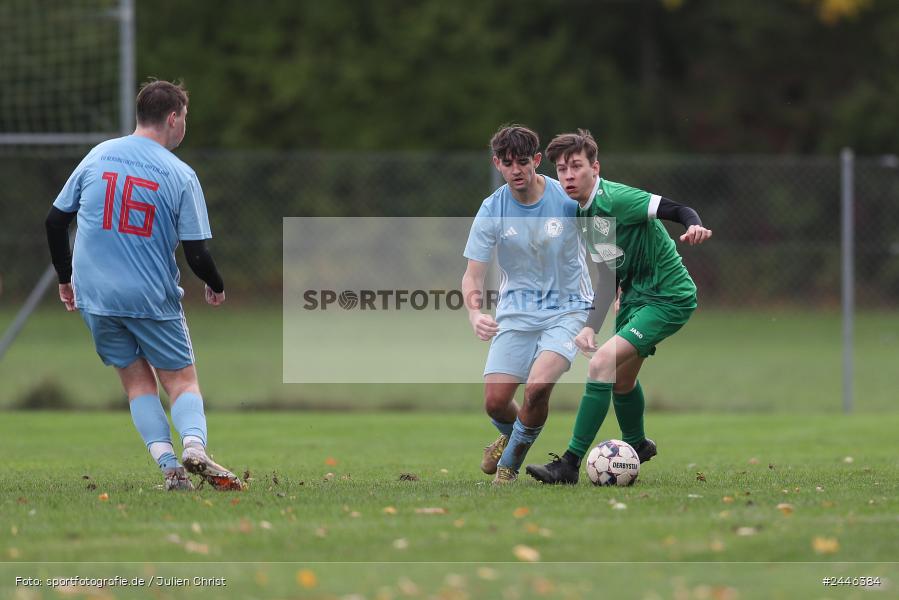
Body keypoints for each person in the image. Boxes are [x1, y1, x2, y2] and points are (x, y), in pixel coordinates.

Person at [44, 80, 243, 492]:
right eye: (185, 118)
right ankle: (193, 446)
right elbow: (197, 254)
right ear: (173, 118)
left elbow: (55, 221)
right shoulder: (181, 174)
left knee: (137, 384)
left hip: (95, 297)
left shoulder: (98, 155)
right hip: (150, 297)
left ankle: (171, 470)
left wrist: (66, 278)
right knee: (182, 382)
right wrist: (216, 285)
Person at [526, 129, 712, 484]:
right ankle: (637, 446)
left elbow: (678, 209)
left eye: (576, 166)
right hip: (636, 297)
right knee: (621, 382)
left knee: (601, 365)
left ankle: (568, 464)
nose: (568, 175)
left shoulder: (617, 198)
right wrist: (588, 327)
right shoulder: (583, 215)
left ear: (595, 168)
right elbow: (607, 275)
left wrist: (694, 226)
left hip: (667, 295)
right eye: (562, 169)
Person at [462, 125, 592, 484]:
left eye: (523, 161)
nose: (516, 170)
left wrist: (616, 287)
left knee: (536, 388)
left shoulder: (566, 199)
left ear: (536, 160)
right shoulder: (492, 209)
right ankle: (513, 433)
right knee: (495, 402)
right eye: (507, 163)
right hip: (515, 313)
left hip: (569, 309)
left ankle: (509, 465)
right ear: (497, 164)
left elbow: (605, 248)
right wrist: (475, 312)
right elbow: (472, 276)